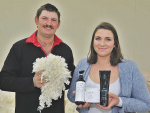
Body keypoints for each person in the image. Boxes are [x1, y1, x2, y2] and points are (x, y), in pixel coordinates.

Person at [0, 3, 75, 113]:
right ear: (36, 20)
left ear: (58, 24)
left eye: (53, 20)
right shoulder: (19, 48)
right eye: (44, 19)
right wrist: (32, 82)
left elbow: (71, 80)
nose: (49, 23)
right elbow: (3, 81)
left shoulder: (65, 50)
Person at [67, 22, 150, 113]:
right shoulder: (83, 64)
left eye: (108, 39)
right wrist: (81, 100)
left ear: (115, 44)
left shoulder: (130, 68)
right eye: (98, 38)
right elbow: (71, 96)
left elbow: (146, 104)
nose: (102, 44)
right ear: (93, 42)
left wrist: (119, 101)